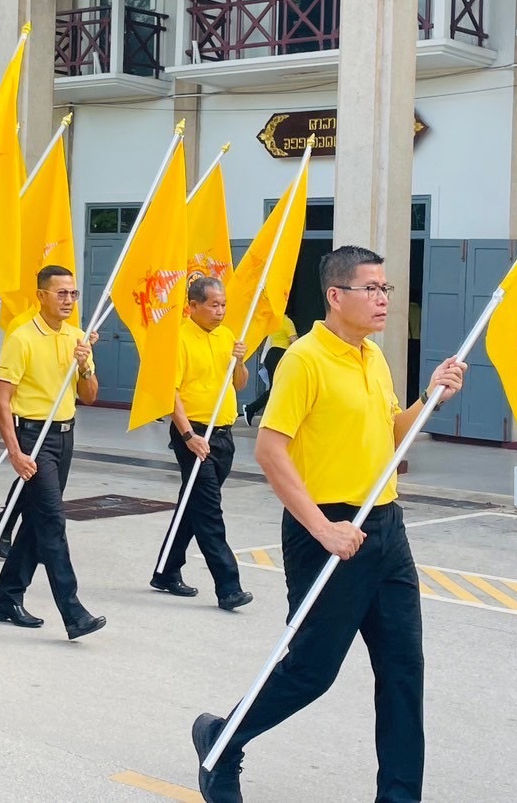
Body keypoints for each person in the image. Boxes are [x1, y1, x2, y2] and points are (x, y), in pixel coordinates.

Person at [192, 246, 466, 803]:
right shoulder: (305, 359)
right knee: (311, 673)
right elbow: (271, 451)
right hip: (328, 532)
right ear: (337, 296)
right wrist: (322, 528)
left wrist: (429, 396)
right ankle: (222, 743)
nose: (384, 298)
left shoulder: (373, 357)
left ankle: (398, 796)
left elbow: (392, 433)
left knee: (403, 673)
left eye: (386, 288)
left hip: (386, 530)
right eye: (372, 288)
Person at [0, 265, 105, 640]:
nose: (69, 300)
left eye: (72, 293)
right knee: (53, 521)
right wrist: (14, 451)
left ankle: (8, 597)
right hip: (33, 436)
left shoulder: (77, 337)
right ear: (41, 295)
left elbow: (89, 396)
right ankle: (73, 612)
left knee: (37, 523)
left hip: (64, 436)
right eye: (61, 293)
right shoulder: (22, 338)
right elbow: (2, 401)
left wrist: (85, 364)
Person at [151, 276, 252, 611]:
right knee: (209, 511)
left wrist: (239, 360)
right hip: (194, 434)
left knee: (192, 507)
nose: (220, 311)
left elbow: (238, 384)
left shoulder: (227, 336)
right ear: (193, 306)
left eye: (223, 304)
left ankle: (166, 570)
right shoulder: (178, 338)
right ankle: (229, 586)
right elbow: (171, 393)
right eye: (213, 304)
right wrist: (188, 436)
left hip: (223, 434)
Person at [242, 313, 297, 426]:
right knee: (278, 388)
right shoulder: (287, 321)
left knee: (277, 387)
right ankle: (251, 408)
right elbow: (294, 341)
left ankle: (256, 410)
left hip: (271, 354)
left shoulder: (275, 322)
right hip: (280, 354)